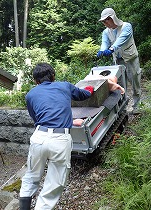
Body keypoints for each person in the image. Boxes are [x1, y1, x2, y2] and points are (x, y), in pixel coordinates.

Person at [19, 62, 94, 210]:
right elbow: (84, 95)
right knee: (54, 183)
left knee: (31, 176)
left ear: (36, 81)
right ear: (53, 76)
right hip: (60, 139)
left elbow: (36, 119)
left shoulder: (30, 95)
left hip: (39, 137)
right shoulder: (65, 86)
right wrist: (90, 89)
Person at [97, 8, 142, 114]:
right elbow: (104, 43)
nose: (105, 23)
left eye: (106, 20)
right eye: (103, 21)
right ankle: (122, 107)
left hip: (130, 59)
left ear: (112, 18)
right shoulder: (106, 32)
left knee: (135, 81)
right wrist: (102, 51)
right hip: (118, 61)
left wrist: (111, 49)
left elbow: (121, 40)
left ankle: (137, 106)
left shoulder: (126, 26)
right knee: (120, 84)